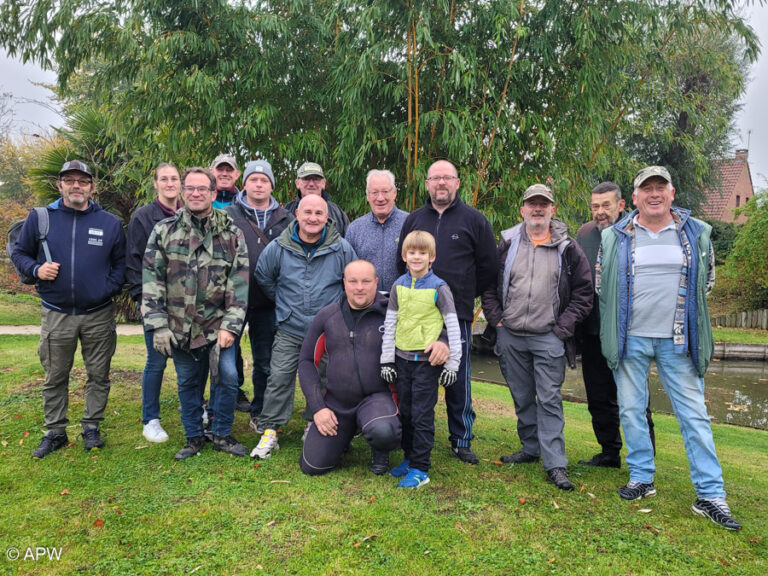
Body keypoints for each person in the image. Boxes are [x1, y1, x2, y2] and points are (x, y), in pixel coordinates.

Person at [597, 166, 741, 530]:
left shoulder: (696, 233)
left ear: (672, 194)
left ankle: (710, 494)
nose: (654, 194)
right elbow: (603, 283)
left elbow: (705, 285)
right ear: (635, 198)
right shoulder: (615, 236)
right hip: (631, 339)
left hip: (680, 341)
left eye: (661, 187)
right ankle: (642, 478)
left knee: (693, 415)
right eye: (647, 188)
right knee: (630, 410)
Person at [481, 184, 593, 491]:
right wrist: (497, 320)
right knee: (522, 397)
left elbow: (584, 293)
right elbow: (489, 286)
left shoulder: (568, 248)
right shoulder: (507, 244)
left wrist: (562, 329)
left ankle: (555, 463)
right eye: (532, 204)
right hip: (511, 335)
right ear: (522, 210)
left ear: (553, 210)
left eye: (544, 204)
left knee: (549, 400)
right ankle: (531, 448)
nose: (538, 209)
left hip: (549, 337)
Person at [12, 160, 126, 458]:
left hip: (99, 313)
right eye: (70, 180)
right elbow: (20, 253)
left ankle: (91, 427)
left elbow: (121, 265)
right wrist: (36, 269)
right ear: (59, 184)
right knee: (55, 375)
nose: (77, 185)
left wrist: (106, 288)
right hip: (57, 312)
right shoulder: (40, 218)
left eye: (83, 181)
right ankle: (55, 431)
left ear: (92, 186)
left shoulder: (109, 223)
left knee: (98, 374)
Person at [142, 167, 250, 460]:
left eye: (203, 188)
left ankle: (222, 434)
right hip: (180, 327)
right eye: (190, 188)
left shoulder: (231, 233)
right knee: (188, 382)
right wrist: (158, 326)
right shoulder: (165, 231)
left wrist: (231, 327)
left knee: (227, 377)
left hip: (219, 326)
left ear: (214, 194)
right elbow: (152, 281)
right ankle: (193, 437)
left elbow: (239, 284)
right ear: (182, 191)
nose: (196, 193)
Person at [397, 159, 497, 464]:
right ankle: (412, 435)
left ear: (457, 182)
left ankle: (461, 438)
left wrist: (463, 294)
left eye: (447, 178)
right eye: (435, 178)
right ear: (426, 184)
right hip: (417, 314)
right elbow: (399, 261)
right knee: (413, 377)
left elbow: (489, 267)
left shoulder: (475, 220)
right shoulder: (414, 219)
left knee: (457, 376)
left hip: (458, 313)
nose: (441, 183)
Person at [250, 194, 356, 459]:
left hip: (326, 331)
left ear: (326, 217)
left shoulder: (341, 248)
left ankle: (313, 423)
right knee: (279, 377)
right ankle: (270, 430)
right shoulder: (279, 247)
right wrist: (284, 304)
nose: (312, 218)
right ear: (297, 214)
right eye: (307, 212)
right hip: (290, 327)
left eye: (318, 214)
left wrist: (335, 314)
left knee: (323, 378)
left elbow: (353, 281)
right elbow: (264, 276)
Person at [298, 260, 411, 476]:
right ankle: (342, 439)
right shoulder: (327, 315)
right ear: (344, 283)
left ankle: (380, 448)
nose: (359, 287)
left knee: (383, 431)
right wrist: (318, 408)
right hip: (336, 403)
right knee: (313, 466)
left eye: (366, 281)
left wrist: (441, 341)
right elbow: (305, 362)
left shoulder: (392, 313)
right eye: (353, 281)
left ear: (376, 282)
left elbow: (426, 328)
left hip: (377, 397)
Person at [575, 182, 655, 468]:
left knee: (634, 398)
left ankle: (645, 458)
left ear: (621, 205)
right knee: (598, 396)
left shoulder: (639, 233)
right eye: (595, 206)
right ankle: (609, 451)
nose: (600, 212)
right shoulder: (584, 234)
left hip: (629, 332)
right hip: (593, 330)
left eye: (606, 205)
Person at [380, 231, 462, 488]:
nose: (417, 257)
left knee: (422, 415)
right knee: (405, 412)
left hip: (427, 362)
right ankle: (408, 457)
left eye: (422, 253)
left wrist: (453, 363)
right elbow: (390, 323)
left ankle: (420, 468)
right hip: (402, 359)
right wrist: (386, 360)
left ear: (432, 257)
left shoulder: (440, 288)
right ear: (404, 256)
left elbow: (453, 325)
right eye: (412, 252)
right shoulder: (398, 286)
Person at [225, 159, 292, 435]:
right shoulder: (228, 213)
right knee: (225, 361)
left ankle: (260, 412)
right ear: (245, 183)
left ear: (272, 185)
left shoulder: (286, 218)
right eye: (254, 179)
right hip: (232, 301)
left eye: (265, 180)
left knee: (265, 361)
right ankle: (221, 414)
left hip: (269, 302)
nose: (259, 184)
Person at [127, 163, 183, 443]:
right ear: (156, 184)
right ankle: (150, 418)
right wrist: (141, 298)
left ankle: (193, 408)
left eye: (174, 178)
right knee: (156, 362)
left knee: (191, 362)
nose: (170, 183)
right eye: (164, 178)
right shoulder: (143, 217)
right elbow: (134, 262)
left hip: (186, 305)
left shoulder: (188, 214)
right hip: (155, 303)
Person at [209, 153, 249, 411]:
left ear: (237, 174)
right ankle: (211, 398)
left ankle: (234, 391)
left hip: (239, 284)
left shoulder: (243, 203)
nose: (224, 174)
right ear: (211, 172)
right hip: (208, 289)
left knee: (232, 342)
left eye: (229, 170)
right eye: (219, 170)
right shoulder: (201, 199)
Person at [346, 169, 408, 292]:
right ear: (367, 196)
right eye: (374, 192)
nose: (380, 198)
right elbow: (347, 270)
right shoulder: (355, 229)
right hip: (366, 304)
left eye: (385, 192)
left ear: (394, 193)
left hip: (403, 302)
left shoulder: (410, 223)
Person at [284, 162, 350, 237]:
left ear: (323, 183)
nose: (311, 184)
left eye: (316, 179)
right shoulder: (286, 212)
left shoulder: (337, 213)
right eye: (306, 179)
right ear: (297, 183)